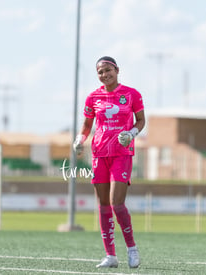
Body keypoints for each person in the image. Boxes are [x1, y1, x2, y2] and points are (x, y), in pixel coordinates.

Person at [73, 56, 145, 268]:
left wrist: (131, 133)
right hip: (99, 155)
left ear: (117, 70)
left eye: (108, 70)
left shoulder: (132, 94)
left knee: (116, 203)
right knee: (103, 205)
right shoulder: (92, 97)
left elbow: (141, 120)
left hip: (122, 154)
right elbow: (87, 125)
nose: (104, 75)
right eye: (100, 72)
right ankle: (111, 256)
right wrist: (80, 139)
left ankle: (132, 248)